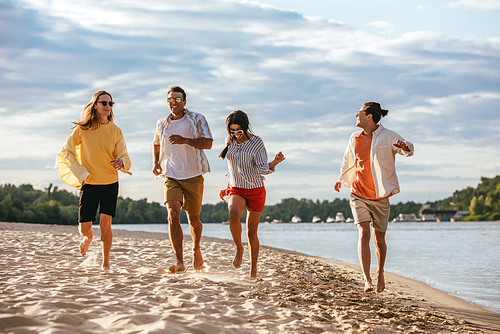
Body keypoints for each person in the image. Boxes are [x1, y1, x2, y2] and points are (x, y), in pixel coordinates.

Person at [334, 102, 414, 293]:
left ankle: (380, 273)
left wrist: (405, 147)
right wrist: (340, 179)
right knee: (363, 233)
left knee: (379, 241)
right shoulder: (354, 138)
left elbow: (408, 149)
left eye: (359, 113)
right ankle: (367, 279)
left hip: (380, 197)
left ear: (369, 116)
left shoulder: (389, 136)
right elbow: (347, 161)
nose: (356, 115)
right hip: (358, 192)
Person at [56, 90, 132, 270]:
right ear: (95, 105)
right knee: (84, 229)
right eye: (104, 103)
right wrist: (80, 173)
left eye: (110, 104)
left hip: (110, 183)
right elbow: (66, 151)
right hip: (89, 183)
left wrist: (122, 162)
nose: (108, 107)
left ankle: (106, 263)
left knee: (106, 224)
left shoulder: (116, 131)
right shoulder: (82, 129)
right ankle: (88, 238)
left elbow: (124, 155)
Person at [152, 86, 213, 273]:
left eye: (178, 99)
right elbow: (156, 143)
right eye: (170, 99)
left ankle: (196, 250)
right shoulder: (162, 123)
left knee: (194, 221)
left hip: (194, 176)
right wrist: (156, 162)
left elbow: (208, 143)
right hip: (171, 175)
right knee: (172, 215)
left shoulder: (197, 119)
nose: (174, 102)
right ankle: (180, 262)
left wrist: (185, 140)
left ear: (184, 102)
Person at [219, 110, 285, 278]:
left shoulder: (257, 142)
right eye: (232, 131)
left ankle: (253, 270)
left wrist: (274, 162)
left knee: (251, 232)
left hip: (255, 189)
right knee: (233, 215)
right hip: (236, 187)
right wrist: (227, 187)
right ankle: (239, 249)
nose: (235, 134)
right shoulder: (230, 141)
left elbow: (263, 168)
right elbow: (232, 168)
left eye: (238, 131)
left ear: (246, 127)